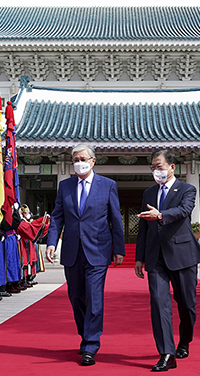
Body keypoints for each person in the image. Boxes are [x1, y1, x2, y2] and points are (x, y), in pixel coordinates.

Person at [46, 144, 124, 366]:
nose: (79, 162)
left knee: (94, 297)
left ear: (93, 161)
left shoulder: (107, 185)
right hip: (72, 251)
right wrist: (52, 242)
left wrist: (118, 248)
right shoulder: (65, 186)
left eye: (83, 158)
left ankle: (91, 344)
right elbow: (56, 217)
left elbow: (115, 218)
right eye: (76, 159)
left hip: (98, 251)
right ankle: (85, 333)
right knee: (76, 297)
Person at [135, 149, 200, 372]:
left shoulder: (187, 189)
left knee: (187, 304)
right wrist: (139, 258)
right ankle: (167, 352)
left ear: (172, 167)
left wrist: (161, 215)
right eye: (153, 167)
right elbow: (143, 230)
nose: (156, 171)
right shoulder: (148, 193)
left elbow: (184, 211)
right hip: (156, 258)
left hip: (182, 255)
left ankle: (184, 340)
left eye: (160, 166)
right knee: (158, 303)